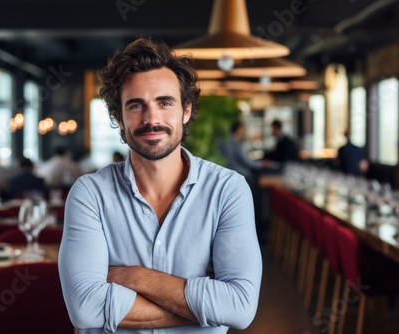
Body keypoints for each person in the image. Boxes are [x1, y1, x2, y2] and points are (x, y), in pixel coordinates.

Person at [58, 38, 262, 333]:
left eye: (165, 103)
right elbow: (86, 310)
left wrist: (135, 277)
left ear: (186, 110)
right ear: (119, 117)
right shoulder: (89, 194)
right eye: (136, 105)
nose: (151, 119)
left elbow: (240, 307)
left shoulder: (228, 190)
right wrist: (208, 306)